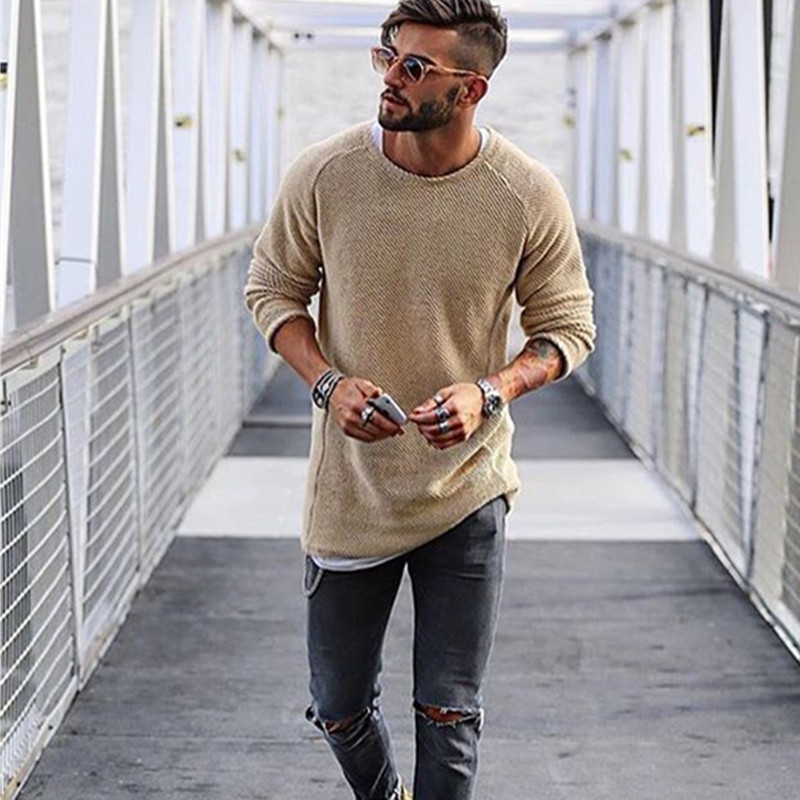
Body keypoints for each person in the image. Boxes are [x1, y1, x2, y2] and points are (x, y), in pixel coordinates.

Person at [243, 1, 596, 797]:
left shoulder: (525, 192)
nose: (390, 78)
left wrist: (490, 392)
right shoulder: (326, 174)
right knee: (338, 707)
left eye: (414, 67)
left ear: (470, 90)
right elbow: (272, 291)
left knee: (450, 713)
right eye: (387, 56)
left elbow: (568, 328)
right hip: (352, 491)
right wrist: (327, 383)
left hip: (468, 486)